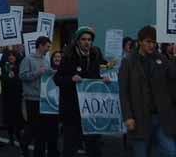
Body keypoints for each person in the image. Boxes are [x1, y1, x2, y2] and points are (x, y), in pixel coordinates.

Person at [119, 26, 176, 157]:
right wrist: (128, 116)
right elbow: (124, 93)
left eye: (154, 42)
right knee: (142, 153)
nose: (152, 45)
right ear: (140, 42)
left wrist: (174, 56)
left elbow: (172, 78)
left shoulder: (161, 59)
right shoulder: (128, 62)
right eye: (148, 41)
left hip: (160, 117)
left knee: (171, 151)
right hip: (140, 119)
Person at [53, 26, 110, 157]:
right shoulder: (68, 56)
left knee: (94, 147)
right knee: (70, 146)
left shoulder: (96, 55)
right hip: (72, 110)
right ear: (78, 41)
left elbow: (99, 75)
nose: (87, 42)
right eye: (84, 39)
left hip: (91, 110)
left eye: (89, 40)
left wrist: (104, 79)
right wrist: (71, 79)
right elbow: (57, 79)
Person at [19, 36, 56, 157]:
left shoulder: (46, 60)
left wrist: (54, 72)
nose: (48, 49)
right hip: (31, 98)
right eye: (47, 46)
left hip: (43, 98)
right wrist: (37, 73)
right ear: (40, 45)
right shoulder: (28, 59)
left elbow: (47, 73)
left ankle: (38, 153)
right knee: (32, 126)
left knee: (42, 129)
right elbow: (22, 76)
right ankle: (24, 144)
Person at [0, 49, 24, 146]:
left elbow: (19, 80)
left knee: (18, 118)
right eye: (9, 55)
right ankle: (11, 137)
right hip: (7, 96)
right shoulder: (4, 67)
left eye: (13, 55)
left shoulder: (20, 67)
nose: (11, 57)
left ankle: (18, 136)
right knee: (9, 118)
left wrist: (10, 78)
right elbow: (3, 79)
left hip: (17, 96)